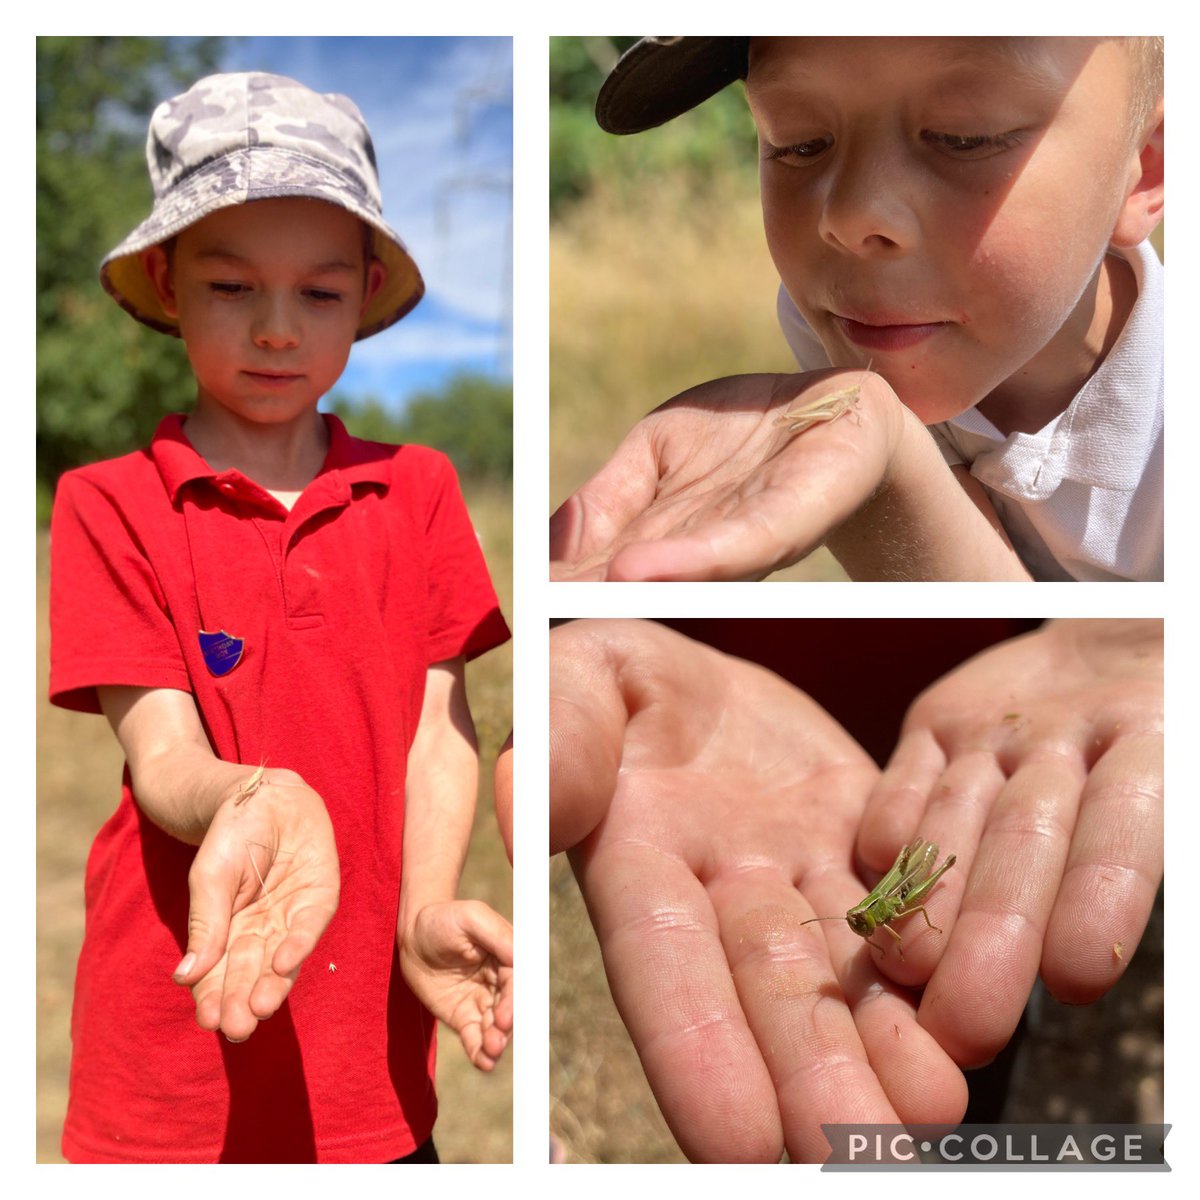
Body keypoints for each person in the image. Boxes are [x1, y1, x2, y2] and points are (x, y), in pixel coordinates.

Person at [47, 71, 512, 1163]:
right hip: (175, 1039)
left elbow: (438, 727)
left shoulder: (421, 488)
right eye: (229, 286)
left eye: (317, 294)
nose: (273, 330)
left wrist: (422, 907)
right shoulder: (108, 501)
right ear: (165, 283)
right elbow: (160, 744)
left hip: (369, 1057)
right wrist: (251, 793)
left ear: (366, 291)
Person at [549, 37, 1163, 581]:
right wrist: (889, 462)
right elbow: (1008, 613)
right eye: (798, 142)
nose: (848, 218)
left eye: (964, 136)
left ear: (1145, 172)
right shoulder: (857, 319)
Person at [549, 619, 1163, 1161]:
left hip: (967, 728)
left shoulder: (885, 912)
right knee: (904, 1073)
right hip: (764, 744)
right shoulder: (861, 916)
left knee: (965, 1031)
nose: (862, 931)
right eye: (862, 928)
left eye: (863, 927)